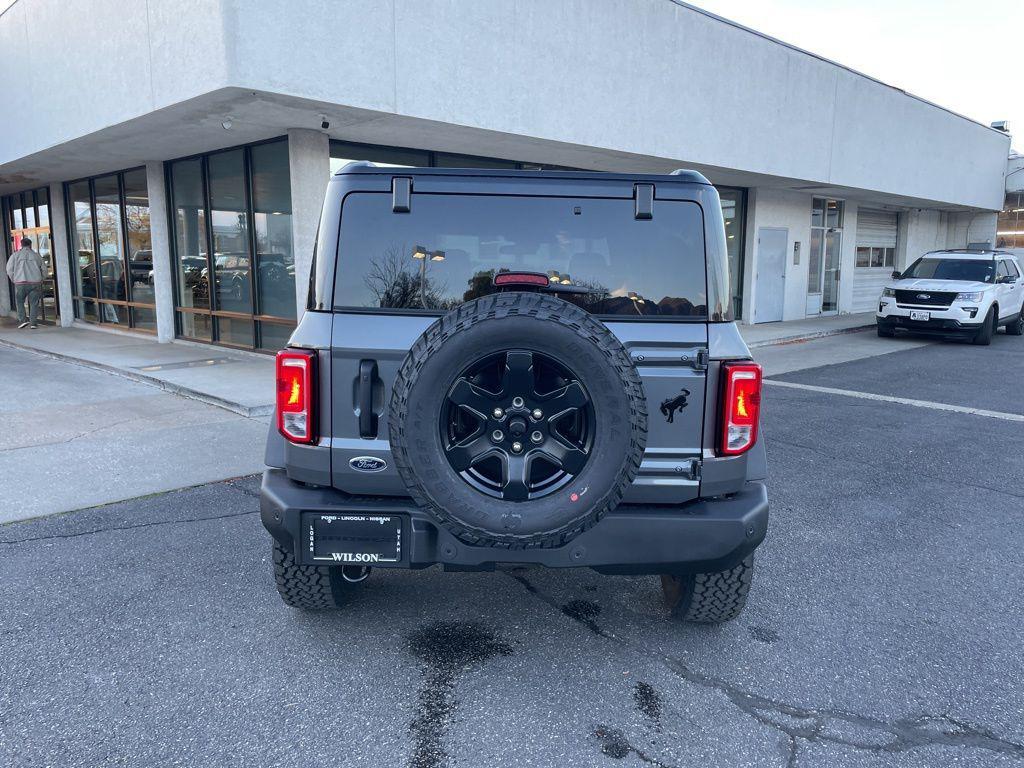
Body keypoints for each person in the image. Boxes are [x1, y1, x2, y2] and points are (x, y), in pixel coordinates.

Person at [6, 236, 45, 329]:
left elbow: (9, 269)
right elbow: (44, 269)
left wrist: (14, 279)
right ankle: (33, 323)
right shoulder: (37, 256)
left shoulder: (15, 256)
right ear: (30, 245)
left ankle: (23, 320)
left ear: (21, 245)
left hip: (20, 283)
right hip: (35, 283)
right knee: (34, 303)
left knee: (19, 302)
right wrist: (41, 279)